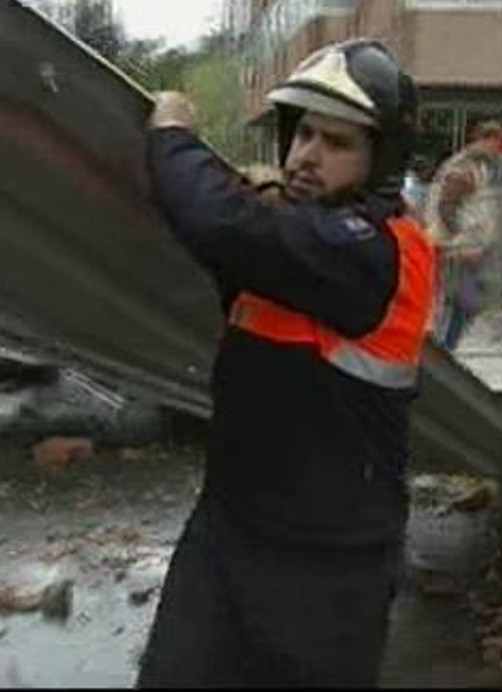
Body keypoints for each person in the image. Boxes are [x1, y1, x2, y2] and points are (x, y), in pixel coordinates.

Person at [136, 39, 435, 688]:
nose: (306, 157)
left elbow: (218, 226)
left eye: (336, 143)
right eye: (303, 134)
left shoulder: (376, 252)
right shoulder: (301, 235)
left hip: (328, 565)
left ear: (381, 159)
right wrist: (263, 202)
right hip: (229, 528)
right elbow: (241, 258)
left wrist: (172, 136)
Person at [424, 120, 502, 350]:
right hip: (458, 250)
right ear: (483, 140)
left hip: (469, 249)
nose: (497, 148)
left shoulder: (481, 166)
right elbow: (447, 207)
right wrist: (459, 243)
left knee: (463, 304)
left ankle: (446, 347)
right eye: (495, 142)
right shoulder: (465, 167)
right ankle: (444, 350)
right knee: (458, 304)